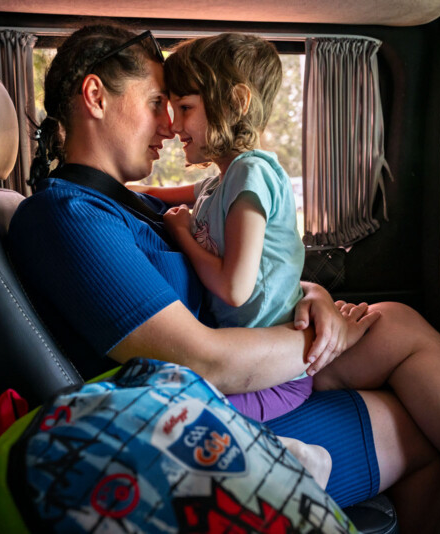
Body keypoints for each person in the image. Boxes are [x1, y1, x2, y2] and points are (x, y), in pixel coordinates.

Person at [8, 23, 440, 534]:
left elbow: (233, 265)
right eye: (155, 104)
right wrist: (327, 341)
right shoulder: (68, 217)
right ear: (95, 96)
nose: (169, 126)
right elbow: (205, 363)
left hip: (232, 379)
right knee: (424, 429)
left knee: (396, 322)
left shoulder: (126, 205)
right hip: (196, 416)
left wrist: (317, 298)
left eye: (179, 109)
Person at [129, 33, 384, 489]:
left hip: (275, 373)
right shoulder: (216, 182)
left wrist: (185, 236)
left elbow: (234, 289)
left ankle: (298, 462)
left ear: (236, 102)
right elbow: (149, 194)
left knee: (172, 424)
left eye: (185, 107)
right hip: (251, 357)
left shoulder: (251, 172)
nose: (173, 123)